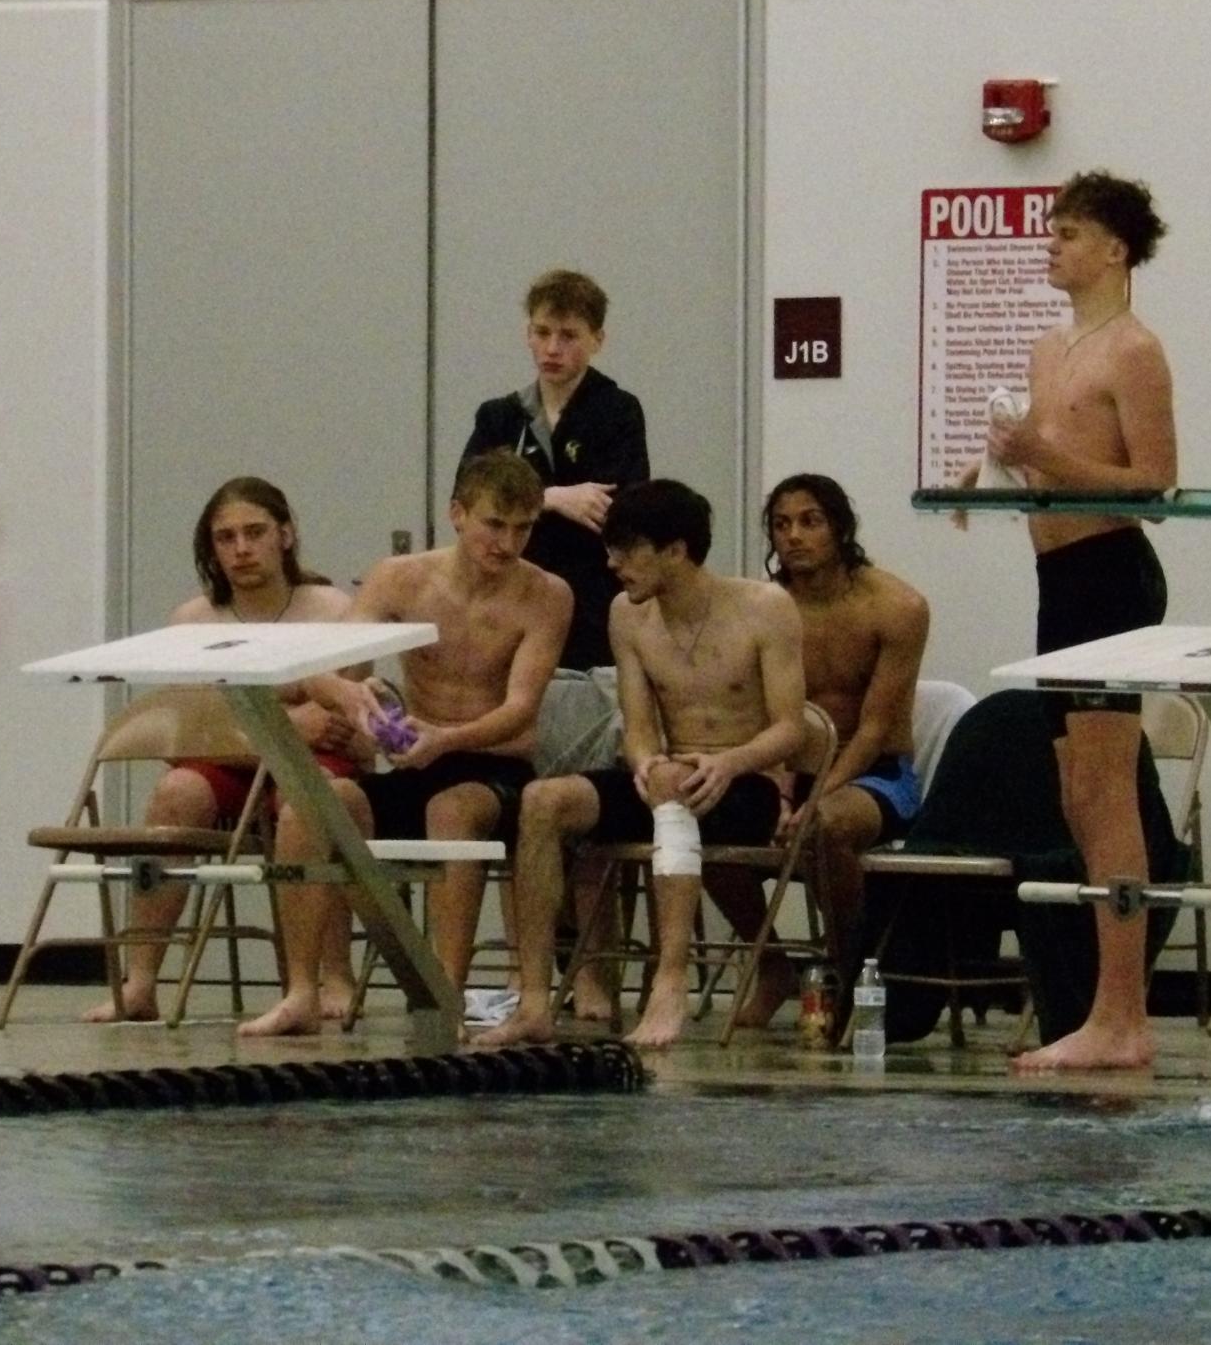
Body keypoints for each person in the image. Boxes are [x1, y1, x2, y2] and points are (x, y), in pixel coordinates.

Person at [237, 450, 571, 1037]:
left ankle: (443, 991)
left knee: (452, 809)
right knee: (312, 803)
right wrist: (353, 699)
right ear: (458, 514)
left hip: (492, 767)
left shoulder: (546, 595)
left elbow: (520, 708)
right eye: (495, 524)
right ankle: (301, 991)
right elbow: (323, 668)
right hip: (417, 758)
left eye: (524, 529)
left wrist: (446, 739)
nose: (507, 543)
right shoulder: (401, 577)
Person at [960, 169, 1177, 1073]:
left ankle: (1122, 1014)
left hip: (1110, 577)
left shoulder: (1134, 351)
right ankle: (1103, 1005)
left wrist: (1040, 451)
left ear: (1115, 250)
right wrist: (987, 470)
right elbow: (1043, 458)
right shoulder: (1050, 350)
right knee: (1078, 797)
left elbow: (1155, 482)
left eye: (1070, 233)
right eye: (1052, 230)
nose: (1051, 244)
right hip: (1055, 578)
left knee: (1108, 792)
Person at [476, 480, 805, 1050]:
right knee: (542, 800)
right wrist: (645, 761)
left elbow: (790, 728)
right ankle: (533, 1001)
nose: (612, 564)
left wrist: (729, 762)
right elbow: (639, 724)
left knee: (675, 785)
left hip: (744, 781)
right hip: (669, 780)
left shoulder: (764, 608)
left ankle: (668, 984)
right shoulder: (627, 617)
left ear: (675, 551)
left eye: (627, 551)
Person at [82, 476, 356, 1024]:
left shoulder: (331, 608)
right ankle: (140, 983)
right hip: (229, 760)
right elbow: (192, 725)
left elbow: (338, 719)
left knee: (309, 802)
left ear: (285, 534)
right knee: (174, 792)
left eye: (254, 533)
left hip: (312, 767)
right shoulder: (194, 619)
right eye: (225, 538)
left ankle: (330, 978)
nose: (241, 549)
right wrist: (285, 723)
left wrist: (276, 725)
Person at [714, 472, 930, 1030]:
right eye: (781, 524)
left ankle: (847, 972)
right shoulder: (762, 609)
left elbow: (876, 727)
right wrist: (781, 789)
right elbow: (760, 717)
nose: (795, 536)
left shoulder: (897, 607)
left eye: (810, 521)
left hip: (875, 777)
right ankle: (773, 966)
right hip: (787, 770)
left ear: (840, 528)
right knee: (705, 821)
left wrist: (817, 798)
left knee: (826, 827)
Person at [463, 269, 650, 673]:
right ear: (526, 332)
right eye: (541, 332)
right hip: (510, 586)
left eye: (568, 336)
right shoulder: (499, 416)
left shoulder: (618, 411)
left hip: (591, 597)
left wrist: (521, 498)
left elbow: (618, 506)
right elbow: (469, 497)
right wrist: (553, 497)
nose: (552, 348)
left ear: (597, 339)